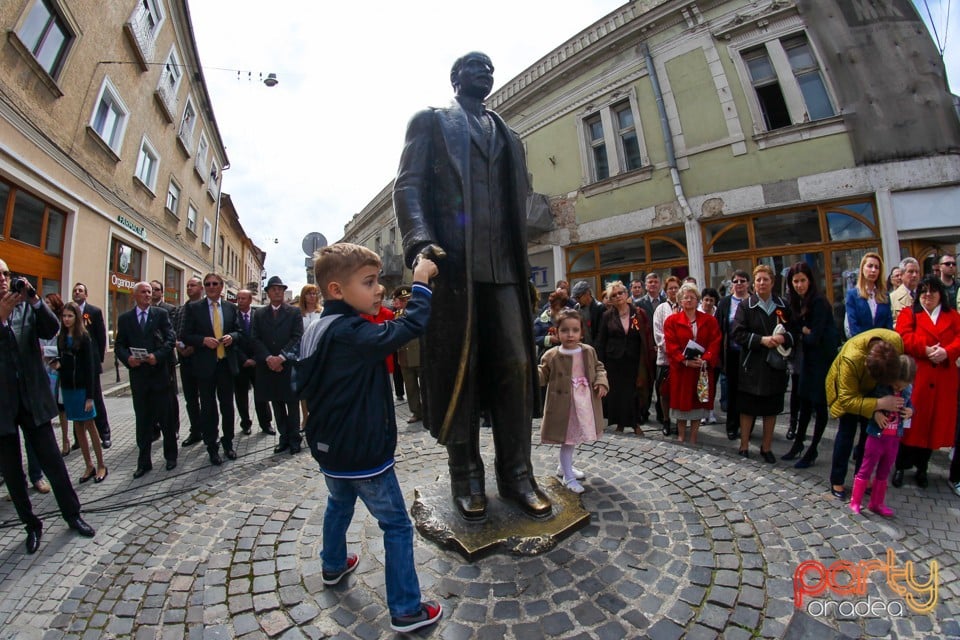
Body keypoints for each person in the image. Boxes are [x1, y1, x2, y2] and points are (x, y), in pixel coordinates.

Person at [394, 51, 550, 520]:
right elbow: (408, 186)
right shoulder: (432, 122)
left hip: (504, 270)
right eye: (474, 66)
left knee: (517, 369)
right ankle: (466, 475)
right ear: (455, 77)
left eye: (490, 68)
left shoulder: (509, 135)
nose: (485, 72)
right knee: (461, 375)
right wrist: (421, 241)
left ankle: (517, 474)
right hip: (456, 270)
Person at [298, 243, 442, 633]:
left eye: (378, 280)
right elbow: (409, 327)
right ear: (335, 290)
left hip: (330, 448)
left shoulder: (319, 327)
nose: (378, 289)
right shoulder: (351, 331)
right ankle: (406, 608)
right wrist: (421, 281)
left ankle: (332, 564)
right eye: (369, 282)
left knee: (338, 503)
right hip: (363, 451)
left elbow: (301, 384)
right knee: (396, 525)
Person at [0, 260, 95, 553]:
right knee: (13, 473)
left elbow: (52, 328)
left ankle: (72, 514)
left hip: (33, 400)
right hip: (3, 405)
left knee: (53, 461)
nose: (3, 279)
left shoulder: (25, 306)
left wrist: (36, 300)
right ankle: (31, 524)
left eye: (5, 273)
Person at [892, 276, 960, 488]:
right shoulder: (909, 313)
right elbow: (902, 337)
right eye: (923, 291)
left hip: (943, 379)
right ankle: (901, 467)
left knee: (932, 427)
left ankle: (923, 468)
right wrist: (926, 349)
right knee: (910, 424)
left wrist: (947, 352)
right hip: (918, 377)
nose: (927, 295)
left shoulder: (952, 316)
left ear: (941, 294)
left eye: (932, 291)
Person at [826, 329, 904, 499]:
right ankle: (837, 479)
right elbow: (847, 400)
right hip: (849, 391)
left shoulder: (895, 342)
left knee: (867, 436)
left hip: (875, 392)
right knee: (847, 432)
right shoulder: (851, 358)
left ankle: (861, 477)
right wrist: (879, 403)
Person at [538, 309, 608, 493]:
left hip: (584, 402)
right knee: (567, 439)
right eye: (565, 330)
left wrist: (601, 382)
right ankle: (568, 478)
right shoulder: (552, 355)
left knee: (574, 436)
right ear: (556, 331)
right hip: (564, 405)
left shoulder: (588, 351)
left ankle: (564, 468)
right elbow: (541, 375)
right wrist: (530, 369)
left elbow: (599, 368)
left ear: (581, 332)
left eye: (575, 330)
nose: (570, 335)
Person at [732, 264, 795, 462]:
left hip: (775, 365)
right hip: (752, 365)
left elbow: (793, 331)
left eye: (765, 279)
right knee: (748, 407)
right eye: (758, 280)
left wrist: (785, 339)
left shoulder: (782, 306)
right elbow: (737, 333)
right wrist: (761, 340)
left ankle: (766, 448)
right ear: (754, 283)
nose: (761, 283)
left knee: (771, 409)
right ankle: (744, 446)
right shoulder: (746, 306)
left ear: (772, 282)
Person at [115, 282, 177, 477]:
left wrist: (157, 356)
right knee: (143, 422)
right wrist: (128, 359)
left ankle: (171, 456)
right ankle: (144, 462)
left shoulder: (160, 314)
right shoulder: (125, 319)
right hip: (139, 379)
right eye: (143, 292)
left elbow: (170, 339)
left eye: (150, 292)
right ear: (135, 296)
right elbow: (119, 346)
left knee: (166, 420)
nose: (148, 295)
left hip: (159, 376)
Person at [783, 263, 840, 467]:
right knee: (804, 401)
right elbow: (797, 327)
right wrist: (802, 331)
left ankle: (813, 448)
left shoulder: (818, 302)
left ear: (810, 281)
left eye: (802, 281)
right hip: (807, 359)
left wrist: (803, 333)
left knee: (818, 404)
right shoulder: (797, 301)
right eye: (795, 281)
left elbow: (814, 336)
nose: (799, 285)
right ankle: (798, 443)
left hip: (822, 360)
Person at [180, 273, 239, 466]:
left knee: (227, 406)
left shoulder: (231, 307)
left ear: (222, 286)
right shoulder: (194, 308)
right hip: (205, 365)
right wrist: (203, 340)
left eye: (215, 284)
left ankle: (228, 442)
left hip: (225, 364)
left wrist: (232, 336)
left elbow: (240, 332)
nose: (211, 287)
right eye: (208, 284)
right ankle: (211, 446)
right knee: (208, 408)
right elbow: (185, 335)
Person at [850, 355, 916, 516]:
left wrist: (911, 412)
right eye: (895, 385)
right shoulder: (881, 387)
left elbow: (910, 405)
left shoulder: (906, 390)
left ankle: (876, 503)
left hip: (894, 438)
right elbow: (869, 403)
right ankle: (856, 501)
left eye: (902, 386)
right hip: (876, 437)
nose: (898, 389)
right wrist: (876, 413)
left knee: (884, 471)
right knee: (866, 468)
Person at [251, 276, 304, 455]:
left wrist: (281, 357)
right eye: (273, 289)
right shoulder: (258, 314)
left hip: (287, 366)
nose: (277, 292)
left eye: (280, 289)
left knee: (292, 404)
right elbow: (255, 338)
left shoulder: (294, 312)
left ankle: (295, 438)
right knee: (277, 404)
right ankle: (284, 437)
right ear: (267, 293)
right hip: (268, 367)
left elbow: (297, 337)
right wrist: (268, 358)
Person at [663, 284, 721, 445]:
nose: (688, 300)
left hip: (702, 369)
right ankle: (681, 436)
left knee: (698, 404)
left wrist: (707, 359)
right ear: (680, 301)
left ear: (698, 300)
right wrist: (684, 360)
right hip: (682, 370)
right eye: (685, 297)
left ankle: (694, 437)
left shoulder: (709, 320)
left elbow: (715, 342)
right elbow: (671, 344)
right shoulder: (672, 321)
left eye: (692, 297)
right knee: (682, 405)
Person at [56, 302, 107, 483]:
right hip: (69, 388)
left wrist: (90, 396)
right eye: (64, 316)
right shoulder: (61, 337)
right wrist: (58, 365)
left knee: (90, 426)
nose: (67, 319)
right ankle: (89, 465)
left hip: (83, 389)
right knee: (78, 428)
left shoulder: (84, 338)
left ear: (77, 318)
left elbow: (90, 367)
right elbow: (64, 362)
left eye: (70, 316)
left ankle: (101, 465)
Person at [596, 281, 651, 436]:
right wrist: (600, 363)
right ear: (610, 299)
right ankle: (620, 423)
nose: (618, 296)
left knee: (634, 392)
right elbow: (601, 340)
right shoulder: (607, 316)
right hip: (614, 361)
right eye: (614, 295)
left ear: (627, 294)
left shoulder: (638, 313)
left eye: (620, 293)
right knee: (618, 393)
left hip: (634, 360)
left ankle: (635, 423)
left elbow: (646, 336)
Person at [70, 283, 111, 449]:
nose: (77, 292)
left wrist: (98, 359)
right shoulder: (69, 313)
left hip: (90, 363)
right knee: (76, 400)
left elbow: (101, 337)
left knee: (95, 399)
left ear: (86, 295)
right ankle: (79, 439)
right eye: (75, 290)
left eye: (80, 290)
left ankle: (105, 433)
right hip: (73, 365)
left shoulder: (93, 312)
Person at [234, 289, 274, 436]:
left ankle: (266, 424)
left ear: (251, 300)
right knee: (241, 395)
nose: (240, 301)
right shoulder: (233, 316)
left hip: (258, 362)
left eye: (243, 298)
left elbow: (265, 338)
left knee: (262, 394)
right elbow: (232, 340)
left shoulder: (259, 316)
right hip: (240, 362)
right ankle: (245, 423)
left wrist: (257, 359)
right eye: (238, 298)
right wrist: (244, 359)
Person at [717, 271, 751, 440]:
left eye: (742, 281)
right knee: (732, 392)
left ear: (748, 283)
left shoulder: (753, 301)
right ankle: (732, 426)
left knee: (748, 392)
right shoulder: (725, 303)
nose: (739, 284)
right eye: (735, 281)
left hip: (750, 354)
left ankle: (748, 428)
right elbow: (718, 328)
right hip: (731, 352)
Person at [150, 280, 180, 441]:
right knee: (152, 396)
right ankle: (154, 428)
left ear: (161, 292)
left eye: (156, 289)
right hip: (148, 360)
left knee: (170, 396)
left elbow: (171, 334)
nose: (153, 292)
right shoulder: (143, 310)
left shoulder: (170, 310)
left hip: (165, 359)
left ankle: (173, 428)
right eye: (151, 289)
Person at [178, 276, 206, 446]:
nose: (189, 288)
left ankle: (208, 430)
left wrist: (194, 347)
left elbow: (208, 332)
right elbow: (175, 331)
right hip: (184, 360)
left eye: (193, 285)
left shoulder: (205, 309)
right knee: (190, 398)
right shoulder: (182, 309)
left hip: (201, 358)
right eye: (187, 285)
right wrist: (178, 345)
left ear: (200, 288)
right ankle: (195, 430)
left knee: (206, 397)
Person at [41, 292, 70, 457]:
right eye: (44, 302)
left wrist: (46, 351)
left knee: (61, 409)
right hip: (42, 370)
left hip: (56, 369)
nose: (45, 305)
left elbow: (64, 347)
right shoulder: (38, 322)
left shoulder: (62, 323)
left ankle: (66, 440)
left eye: (48, 302)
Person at [653, 276, 681, 435]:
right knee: (664, 392)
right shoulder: (661, 308)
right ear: (665, 290)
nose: (673, 291)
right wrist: (671, 348)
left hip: (681, 359)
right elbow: (658, 333)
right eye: (670, 288)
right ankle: (666, 420)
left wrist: (680, 350)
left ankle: (679, 421)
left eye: (676, 288)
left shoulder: (685, 306)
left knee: (678, 391)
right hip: (665, 358)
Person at [392, 286, 424, 424]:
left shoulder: (420, 313)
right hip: (404, 356)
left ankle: (429, 411)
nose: (406, 302)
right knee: (410, 387)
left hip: (419, 354)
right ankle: (416, 412)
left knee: (425, 386)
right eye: (403, 300)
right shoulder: (397, 315)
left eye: (408, 299)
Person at [699, 288, 721, 424]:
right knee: (702, 385)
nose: (708, 303)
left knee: (712, 385)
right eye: (706, 300)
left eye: (711, 300)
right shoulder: (697, 313)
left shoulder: (718, 313)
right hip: (700, 355)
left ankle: (711, 411)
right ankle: (702, 412)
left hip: (714, 355)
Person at [571, 280, 604, 346]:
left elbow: (601, 333)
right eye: (575, 298)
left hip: (595, 347)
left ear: (587, 293)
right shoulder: (576, 308)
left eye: (578, 297)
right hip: (581, 346)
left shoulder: (599, 308)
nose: (577, 300)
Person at [890, 257, 921, 324]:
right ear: (901, 275)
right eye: (911, 272)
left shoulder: (926, 294)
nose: (915, 275)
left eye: (917, 272)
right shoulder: (892, 298)